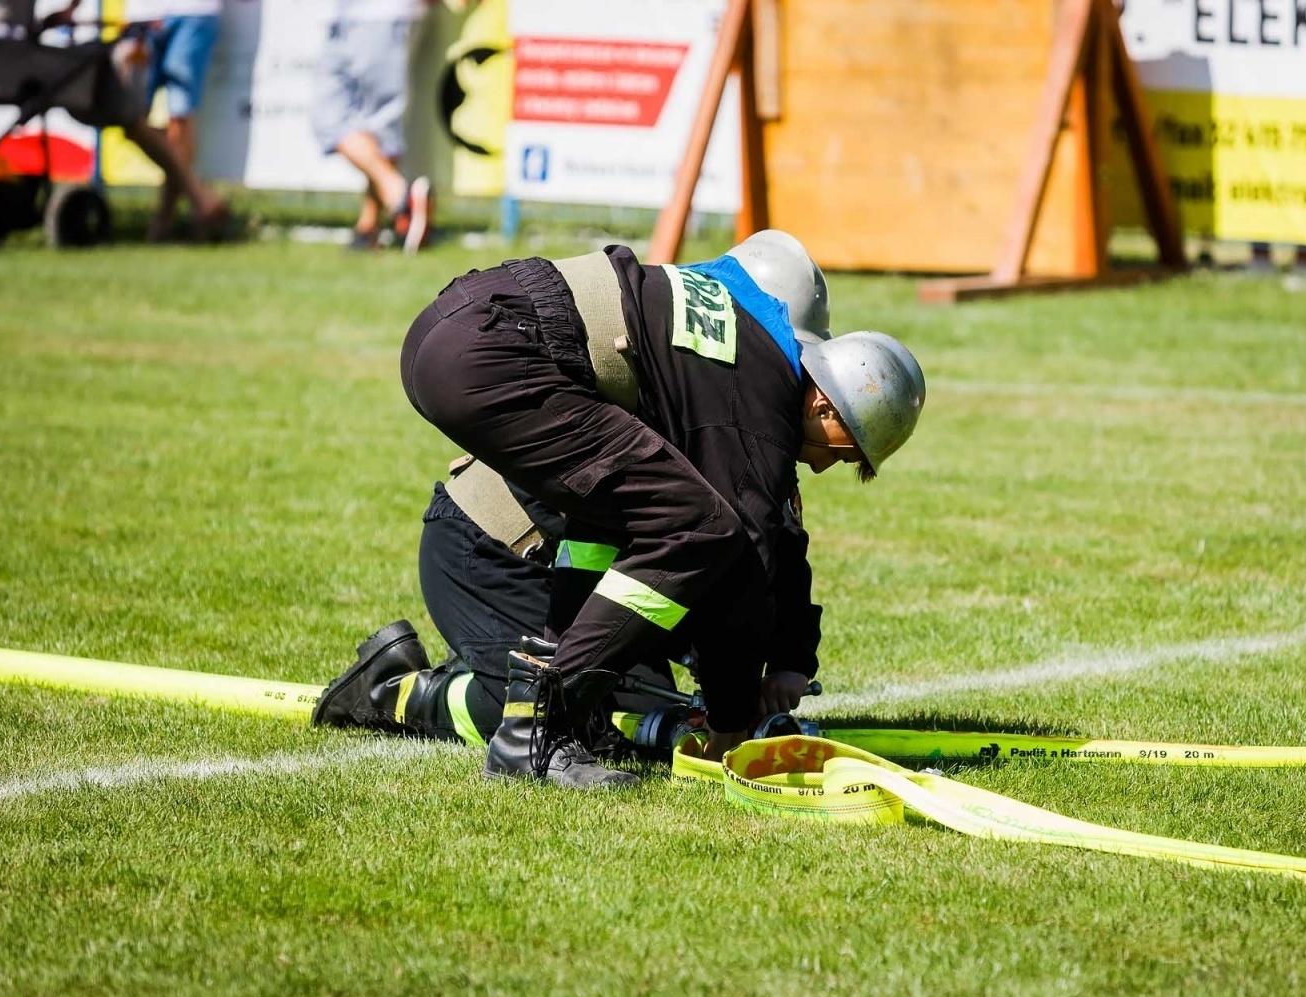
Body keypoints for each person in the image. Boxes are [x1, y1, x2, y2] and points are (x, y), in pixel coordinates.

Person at [324, 231, 925, 789]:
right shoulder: (747, 383)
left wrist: (790, 658)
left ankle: (554, 707)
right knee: (692, 537)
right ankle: (482, 714)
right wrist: (731, 723)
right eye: (838, 453)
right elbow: (745, 549)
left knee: (658, 600)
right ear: (822, 403)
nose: (821, 467)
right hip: (492, 544)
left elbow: (772, 525)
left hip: (462, 328)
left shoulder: (698, 349)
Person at [36, 0, 228, 235]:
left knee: (180, 117)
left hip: (194, 12)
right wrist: (71, 9)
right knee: (129, 117)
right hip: (141, 18)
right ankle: (199, 198)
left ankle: (165, 220)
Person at [311, 0, 432, 253]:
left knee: (381, 126)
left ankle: (368, 228)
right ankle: (400, 196)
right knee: (327, 120)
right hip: (339, 16)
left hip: (385, 13)